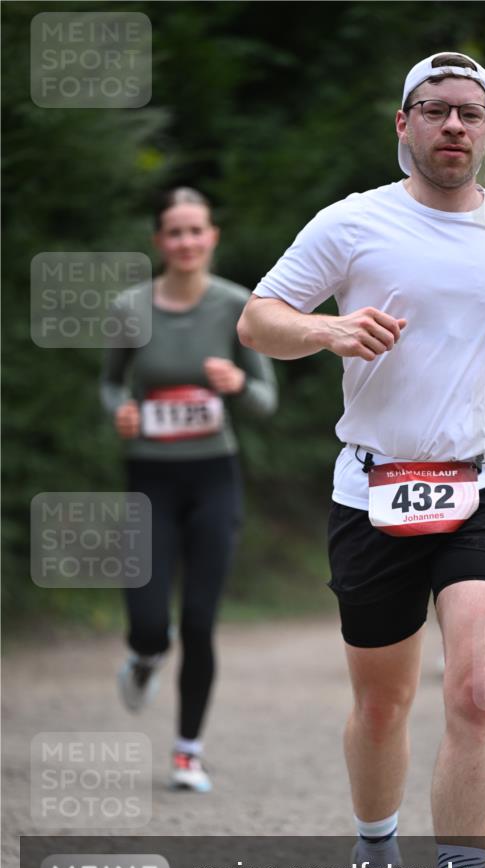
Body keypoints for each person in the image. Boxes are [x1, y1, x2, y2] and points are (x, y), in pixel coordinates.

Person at [238, 52, 485, 868]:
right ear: (403, 124)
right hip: (374, 485)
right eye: (435, 111)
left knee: (474, 688)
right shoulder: (352, 222)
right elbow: (259, 319)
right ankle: (376, 865)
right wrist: (326, 331)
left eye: (470, 113)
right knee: (382, 703)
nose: (453, 127)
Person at [101, 187, 278, 792]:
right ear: (159, 241)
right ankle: (146, 655)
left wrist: (235, 384)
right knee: (151, 623)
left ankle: (187, 750)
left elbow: (265, 400)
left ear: (212, 237)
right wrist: (120, 410)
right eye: (174, 232)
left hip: (213, 479)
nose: (185, 242)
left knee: (200, 620)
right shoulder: (130, 307)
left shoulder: (238, 305)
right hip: (148, 479)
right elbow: (109, 383)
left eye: (195, 230)